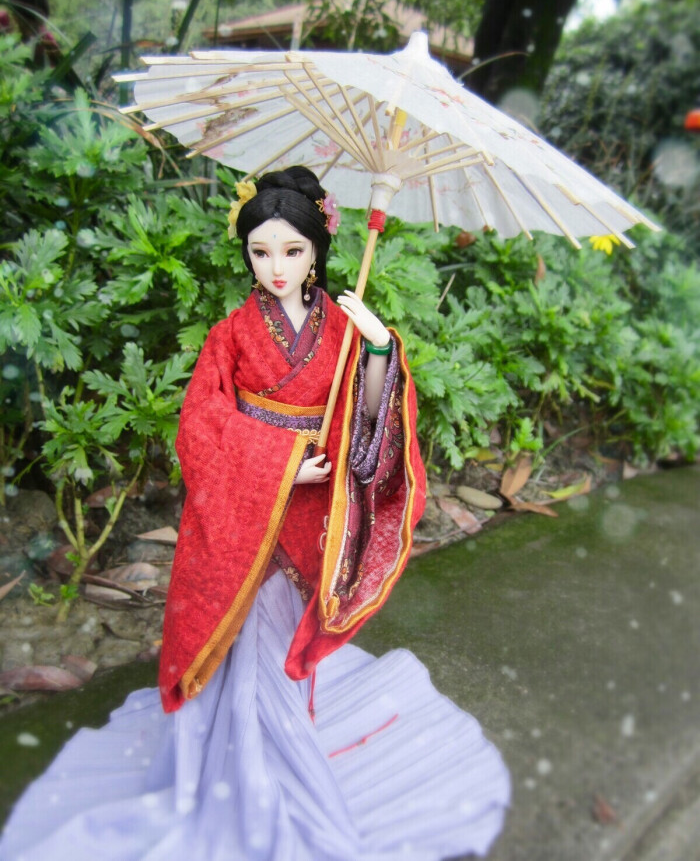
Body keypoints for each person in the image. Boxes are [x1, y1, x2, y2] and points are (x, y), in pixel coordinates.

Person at [0, 167, 509, 861]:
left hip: (310, 509)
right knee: (237, 633)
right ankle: (234, 766)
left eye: (292, 251)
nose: (276, 267)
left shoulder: (342, 329)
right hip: (246, 505)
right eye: (261, 251)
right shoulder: (232, 334)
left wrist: (378, 353)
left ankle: (275, 755)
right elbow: (200, 426)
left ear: (316, 251)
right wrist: (278, 463)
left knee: (281, 633)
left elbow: (368, 423)